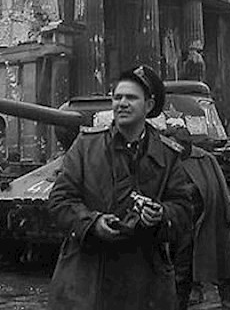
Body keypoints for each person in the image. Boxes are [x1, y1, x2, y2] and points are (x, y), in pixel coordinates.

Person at [48, 65, 192, 310]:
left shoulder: (167, 155)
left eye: (131, 97)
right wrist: (92, 223)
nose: (122, 103)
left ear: (148, 105)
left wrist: (160, 216)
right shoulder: (85, 146)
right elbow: (60, 199)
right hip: (88, 280)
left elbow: (184, 208)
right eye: (117, 97)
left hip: (145, 282)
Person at [174, 139, 230, 310]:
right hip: (180, 223)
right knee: (181, 274)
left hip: (208, 219)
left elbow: (218, 188)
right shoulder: (167, 159)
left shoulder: (205, 159)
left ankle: (227, 303)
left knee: (222, 264)